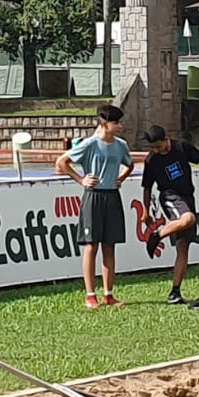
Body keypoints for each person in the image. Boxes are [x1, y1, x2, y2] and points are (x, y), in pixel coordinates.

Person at [56, 103, 133, 309]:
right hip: (94, 197)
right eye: (116, 123)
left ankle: (108, 294)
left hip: (112, 197)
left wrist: (121, 177)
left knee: (110, 246)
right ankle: (90, 295)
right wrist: (80, 179)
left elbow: (130, 163)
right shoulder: (89, 144)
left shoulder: (121, 145)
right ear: (105, 124)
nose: (120, 126)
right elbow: (62, 162)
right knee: (92, 245)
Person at [142, 124, 199, 306]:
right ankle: (156, 235)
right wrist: (145, 210)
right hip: (169, 196)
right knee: (188, 218)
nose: (156, 150)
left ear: (166, 139)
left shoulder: (181, 147)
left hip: (188, 196)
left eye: (158, 146)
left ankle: (175, 291)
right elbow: (147, 187)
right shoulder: (152, 160)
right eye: (152, 147)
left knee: (183, 246)